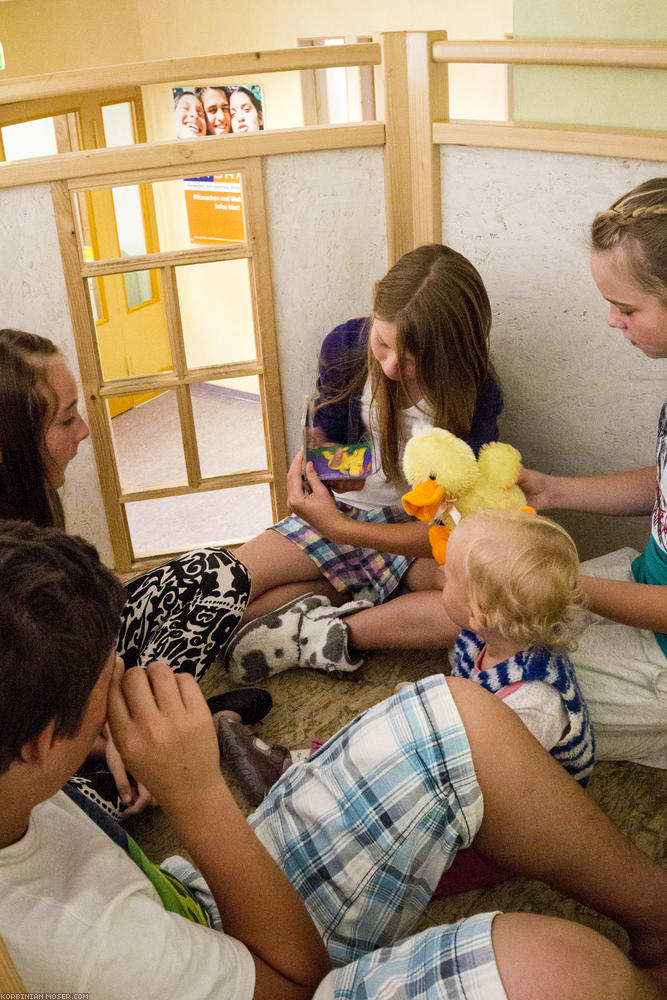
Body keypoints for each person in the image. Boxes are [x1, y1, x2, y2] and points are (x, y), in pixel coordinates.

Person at [0, 520, 665, 1000]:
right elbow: (297, 981)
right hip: (255, 971)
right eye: (105, 683)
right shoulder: (86, 949)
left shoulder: (21, 768)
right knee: (570, 973)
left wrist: (89, 740)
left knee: (461, 712)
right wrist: (195, 793)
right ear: (38, 742)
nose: (126, 677)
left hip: (176, 906)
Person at [0, 328, 270, 817]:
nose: (83, 430)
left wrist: (109, 692)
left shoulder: (27, 500)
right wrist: (100, 740)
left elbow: (84, 633)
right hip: (26, 721)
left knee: (219, 574)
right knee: (69, 815)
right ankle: (152, 741)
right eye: (66, 420)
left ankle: (152, 732)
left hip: (67, 679)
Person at [229, 244, 503, 682]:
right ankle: (360, 596)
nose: (393, 368)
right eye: (383, 344)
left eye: (415, 361)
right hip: (344, 513)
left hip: (412, 537)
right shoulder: (344, 345)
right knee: (232, 600)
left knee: (481, 609)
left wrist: (341, 530)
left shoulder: (476, 391)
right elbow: (336, 441)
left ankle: (331, 631)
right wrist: (326, 465)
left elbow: (452, 525)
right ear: (376, 297)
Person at [518, 177, 667, 769]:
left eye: (626, 307)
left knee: (502, 698)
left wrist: (565, 588)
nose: (611, 320)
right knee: (488, 639)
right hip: (643, 580)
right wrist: (552, 489)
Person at [444, 509, 595, 786]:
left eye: (448, 578)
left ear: (478, 615)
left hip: (536, 789)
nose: (441, 572)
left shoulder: (532, 704)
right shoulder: (482, 636)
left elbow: (502, 776)